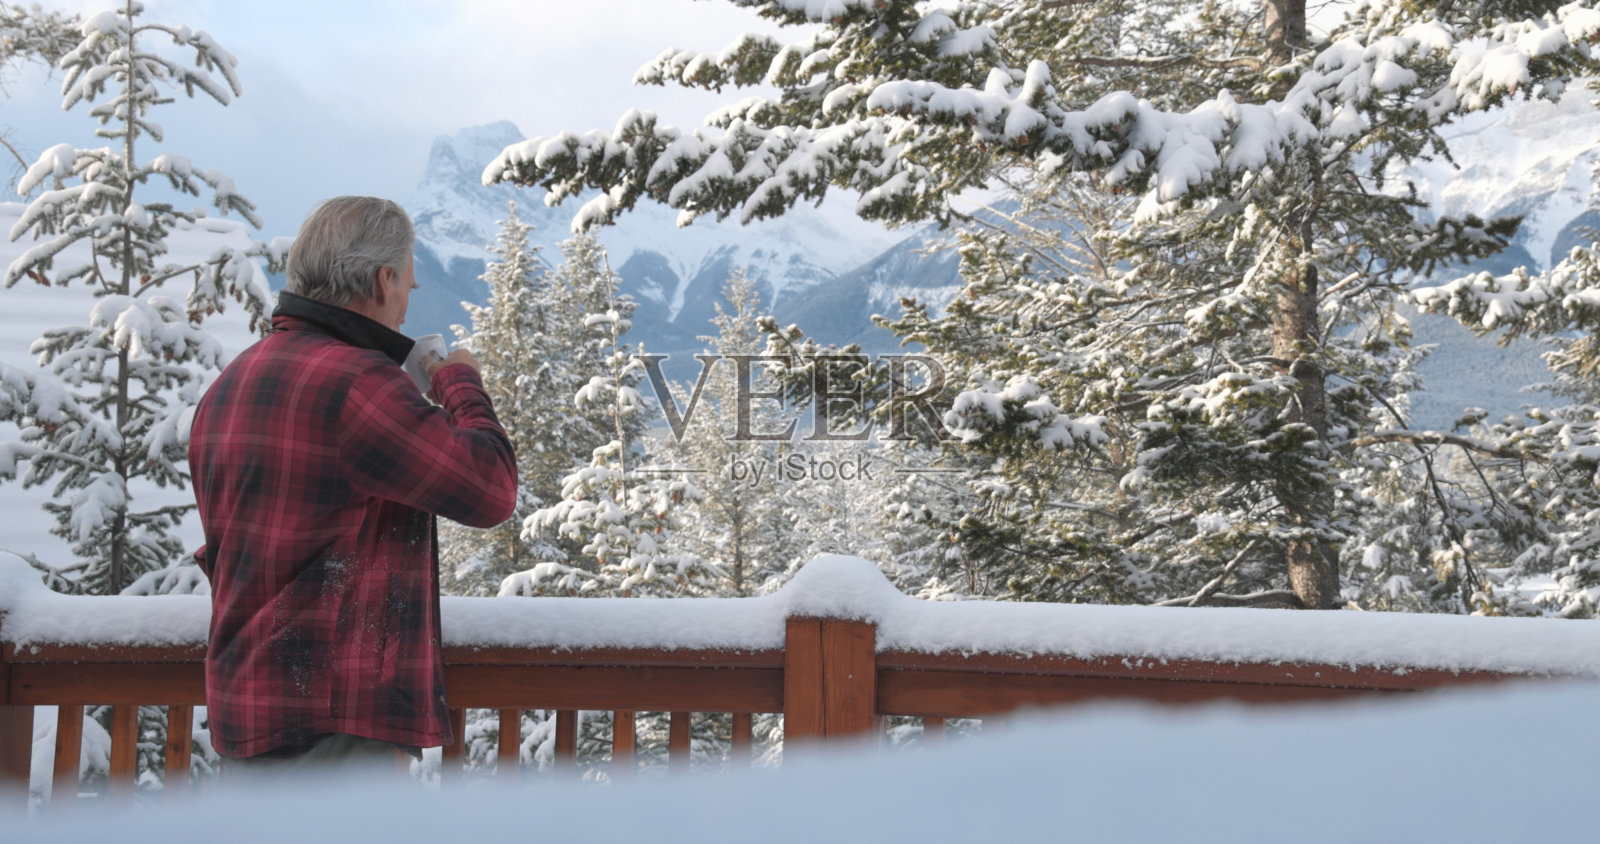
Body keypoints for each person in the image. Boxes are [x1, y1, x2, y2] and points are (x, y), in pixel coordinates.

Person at [188, 196, 518, 777]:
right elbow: (491, 489)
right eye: (410, 290)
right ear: (383, 280)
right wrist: (460, 384)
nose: (406, 309)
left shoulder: (236, 377)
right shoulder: (360, 383)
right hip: (333, 723)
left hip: (245, 709)